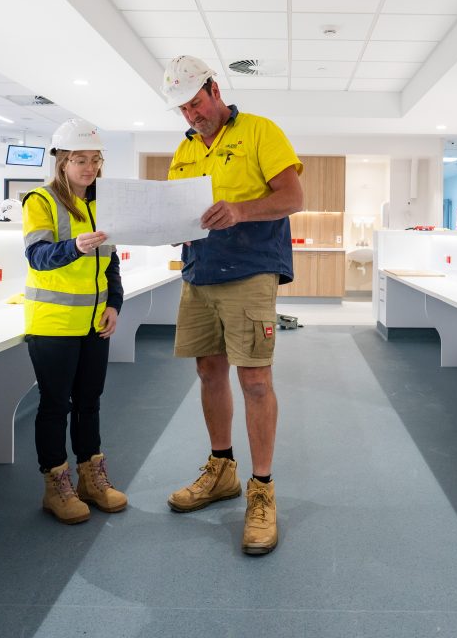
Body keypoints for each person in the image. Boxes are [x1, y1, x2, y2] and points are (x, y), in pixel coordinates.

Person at [160, 56, 304, 555]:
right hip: (199, 270)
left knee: (256, 379)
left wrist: (241, 210)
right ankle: (221, 469)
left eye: (196, 103)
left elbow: (292, 195)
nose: (191, 116)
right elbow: (181, 212)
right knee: (208, 371)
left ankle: (262, 490)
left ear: (214, 90)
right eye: (182, 109)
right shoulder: (183, 151)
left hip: (249, 269)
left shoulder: (261, 131)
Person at [22, 118, 128, 524]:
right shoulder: (41, 201)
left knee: (89, 403)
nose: (88, 168)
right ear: (62, 161)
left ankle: (91, 479)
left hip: (94, 323)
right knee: (55, 406)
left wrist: (114, 304)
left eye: (94, 160)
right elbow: (38, 257)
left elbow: (111, 263)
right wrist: (73, 247)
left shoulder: (105, 203)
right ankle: (56, 486)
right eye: (79, 160)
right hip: (54, 324)